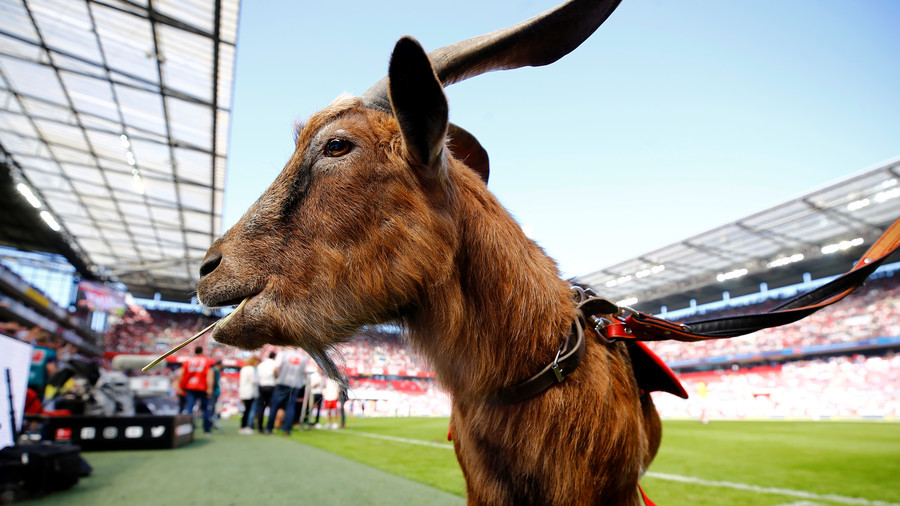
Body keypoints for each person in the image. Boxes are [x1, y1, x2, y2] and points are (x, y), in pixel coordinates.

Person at [266, 349, 308, 435]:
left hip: (282, 383)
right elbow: (305, 372)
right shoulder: (303, 358)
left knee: (275, 406)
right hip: (295, 385)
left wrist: (276, 377)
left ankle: (269, 428)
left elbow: (276, 368)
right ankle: (287, 429)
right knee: (290, 407)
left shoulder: (283, 354)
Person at [174, 346, 214, 434]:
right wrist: (210, 388)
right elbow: (209, 375)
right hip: (202, 387)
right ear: (202, 352)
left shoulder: (187, 361)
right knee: (205, 409)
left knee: (189, 409)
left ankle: (189, 429)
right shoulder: (206, 361)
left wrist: (178, 386)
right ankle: (207, 429)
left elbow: (180, 374)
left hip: (189, 387)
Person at [255, 351, 277, 433]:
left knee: (261, 407)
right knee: (272, 407)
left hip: (262, 386)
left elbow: (257, 375)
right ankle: (269, 427)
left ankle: (260, 426)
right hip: (271, 385)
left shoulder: (262, 364)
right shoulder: (274, 363)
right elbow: (276, 372)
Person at [238, 356, 260, 435]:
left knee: (246, 410)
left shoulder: (244, 369)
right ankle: (245, 426)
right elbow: (253, 380)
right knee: (248, 410)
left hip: (244, 392)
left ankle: (244, 426)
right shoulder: (251, 369)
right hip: (250, 392)